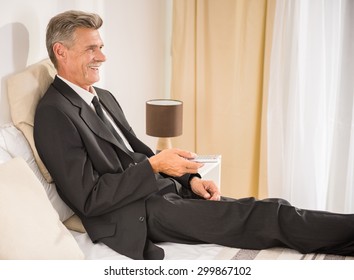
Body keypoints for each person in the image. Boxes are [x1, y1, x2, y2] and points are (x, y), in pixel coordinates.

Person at [34, 10, 354, 260]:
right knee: (269, 217)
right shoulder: (53, 112)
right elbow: (89, 199)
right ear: (60, 52)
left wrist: (190, 180)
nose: (102, 56)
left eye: (101, 47)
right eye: (92, 49)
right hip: (138, 213)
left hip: (161, 193)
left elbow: (139, 151)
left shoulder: (102, 96)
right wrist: (157, 167)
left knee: (267, 212)